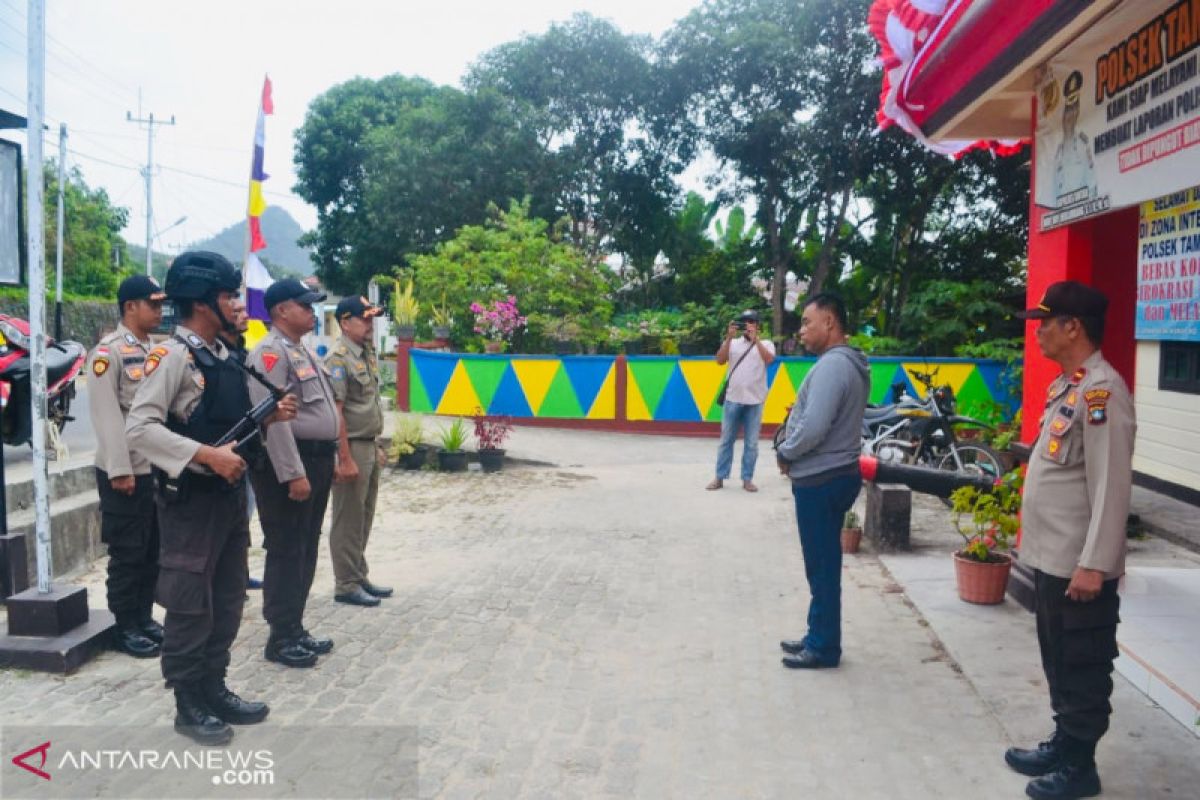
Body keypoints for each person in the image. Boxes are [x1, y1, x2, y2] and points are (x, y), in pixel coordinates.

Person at [126, 251, 297, 745]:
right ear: (204, 303)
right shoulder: (172, 355)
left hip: (225, 499)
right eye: (228, 296)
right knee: (189, 604)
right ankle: (187, 701)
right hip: (190, 504)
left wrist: (269, 418)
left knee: (226, 599)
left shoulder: (221, 355)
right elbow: (139, 428)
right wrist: (206, 455)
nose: (236, 304)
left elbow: (223, 422)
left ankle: (213, 685)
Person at [1006, 281, 1134, 800]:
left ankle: (1081, 768)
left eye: (1045, 322)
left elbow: (1111, 486)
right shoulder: (1069, 387)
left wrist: (1095, 564)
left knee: (1082, 662)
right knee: (1058, 656)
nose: (1038, 333)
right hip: (1052, 558)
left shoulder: (1103, 391)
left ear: (1072, 327)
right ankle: (1065, 742)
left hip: (1079, 566)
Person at [246, 278, 339, 668]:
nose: (311, 311)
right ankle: (280, 636)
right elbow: (273, 420)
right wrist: (292, 474)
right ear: (282, 309)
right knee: (286, 549)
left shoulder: (300, 350)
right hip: (291, 462)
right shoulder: (268, 353)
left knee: (305, 546)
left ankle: (295, 627)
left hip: (315, 459)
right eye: (304, 305)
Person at [775, 293, 869, 670]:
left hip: (822, 478)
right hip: (833, 474)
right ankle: (818, 634)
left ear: (830, 322)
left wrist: (787, 452)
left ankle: (824, 646)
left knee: (822, 565)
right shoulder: (847, 363)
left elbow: (814, 427)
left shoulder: (834, 366)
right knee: (823, 563)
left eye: (806, 322)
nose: (801, 331)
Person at [87, 275, 167, 658]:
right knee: (128, 552)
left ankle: (145, 617)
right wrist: (120, 469)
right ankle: (125, 626)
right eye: (153, 304)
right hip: (125, 471)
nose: (160, 311)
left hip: (153, 468)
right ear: (130, 306)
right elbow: (107, 417)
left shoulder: (155, 349)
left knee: (153, 549)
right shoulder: (108, 353)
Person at [325, 296, 392, 607]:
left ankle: (358, 573)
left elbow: (368, 404)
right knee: (347, 518)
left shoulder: (366, 353)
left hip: (367, 443)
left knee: (364, 515)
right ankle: (346, 583)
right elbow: (336, 412)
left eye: (371, 318)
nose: (369, 323)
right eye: (364, 319)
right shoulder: (338, 359)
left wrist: (375, 445)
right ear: (345, 322)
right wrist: (344, 457)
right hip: (350, 445)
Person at [214, 300, 264, 593]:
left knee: (243, 518)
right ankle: (229, 579)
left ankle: (239, 573)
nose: (245, 315)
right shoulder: (215, 356)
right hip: (223, 452)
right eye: (237, 312)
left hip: (247, 448)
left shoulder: (242, 352)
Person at [707, 310, 775, 492]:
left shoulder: (766, 343)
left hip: (755, 401)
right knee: (726, 440)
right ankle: (719, 477)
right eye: (744, 321)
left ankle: (747, 479)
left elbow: (769, 359)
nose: (748, 325)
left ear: (758, 325)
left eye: (751, 321)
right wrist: (728, 338)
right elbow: (719, 360)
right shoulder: (733, 343)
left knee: (751, 443)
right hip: (732, 399)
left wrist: (756, 340)